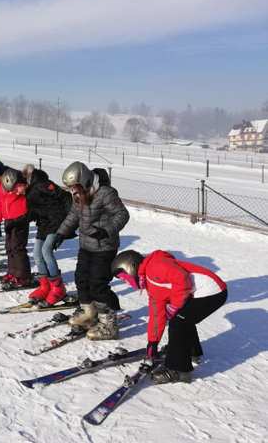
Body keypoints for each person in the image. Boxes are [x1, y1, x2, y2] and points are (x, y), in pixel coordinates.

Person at [112, 250, 228, 383]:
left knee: (178, 322)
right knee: (183, 318)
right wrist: (152, 344)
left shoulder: (155, 266)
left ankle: (179, 370)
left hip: (212, 291)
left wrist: (175, 306)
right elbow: (156, 315)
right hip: (202, 292)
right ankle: (190, 352)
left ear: (130, 267)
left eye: (124, 278)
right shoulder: (151, 284)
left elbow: (182, 278)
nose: (127, 283)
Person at [54, 162, 130, 340]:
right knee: (81, 279)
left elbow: (122, 214)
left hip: (104, 246)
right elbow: (74, 215)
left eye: (74, 186)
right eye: (70, 187)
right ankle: (89, 312)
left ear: (85, 180)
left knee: (98, 284)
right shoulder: (79, 195)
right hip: (86, 245)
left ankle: (109, 322)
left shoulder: (105, 193)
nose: (72, 190)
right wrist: (61, 233)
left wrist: (107, 230)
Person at [26, 168, 72, 307]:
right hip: (44, 225)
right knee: (36, 254)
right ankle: (45, 287)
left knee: (46, 251)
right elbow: (35, 212)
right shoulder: (31, 192)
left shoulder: (42, 185)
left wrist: (68, 219)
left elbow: (65, 196)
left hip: (56, 224)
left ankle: (58, 289)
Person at [0, 158, 33, 290]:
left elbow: (27, 192)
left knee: (18, 247)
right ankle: (13, 272)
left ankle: (23, 276)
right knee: (9, 247)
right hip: (8, 218)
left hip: (20, 216)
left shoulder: (13, 176)